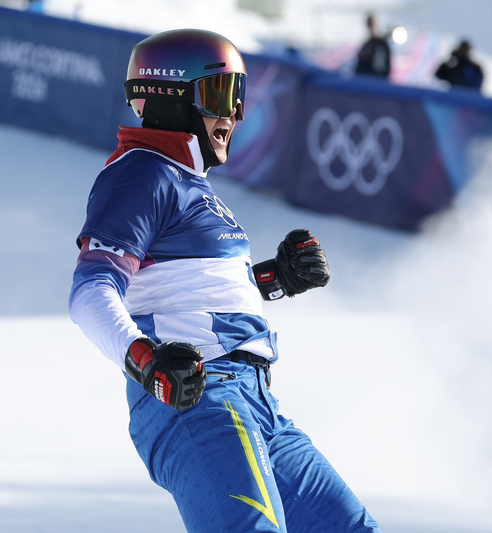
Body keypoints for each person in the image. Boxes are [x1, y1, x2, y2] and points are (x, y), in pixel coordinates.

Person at [69, 29, 382, 533]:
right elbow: (90, 292)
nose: (234, 114)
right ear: (173, 95)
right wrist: (145, 359)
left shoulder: (190, 185)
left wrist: (276, 278)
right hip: (202, 398)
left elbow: (194, 291)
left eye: (238, 97)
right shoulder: (142, 173)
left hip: (256, 403)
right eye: (220, 95)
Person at [355, 13, 391, 78]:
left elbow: (384, 68)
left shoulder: (382, 45)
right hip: (365, 79)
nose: (371, 27)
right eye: (369, 24)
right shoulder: (366, 45)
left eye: (372, 24)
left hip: (378, 79)